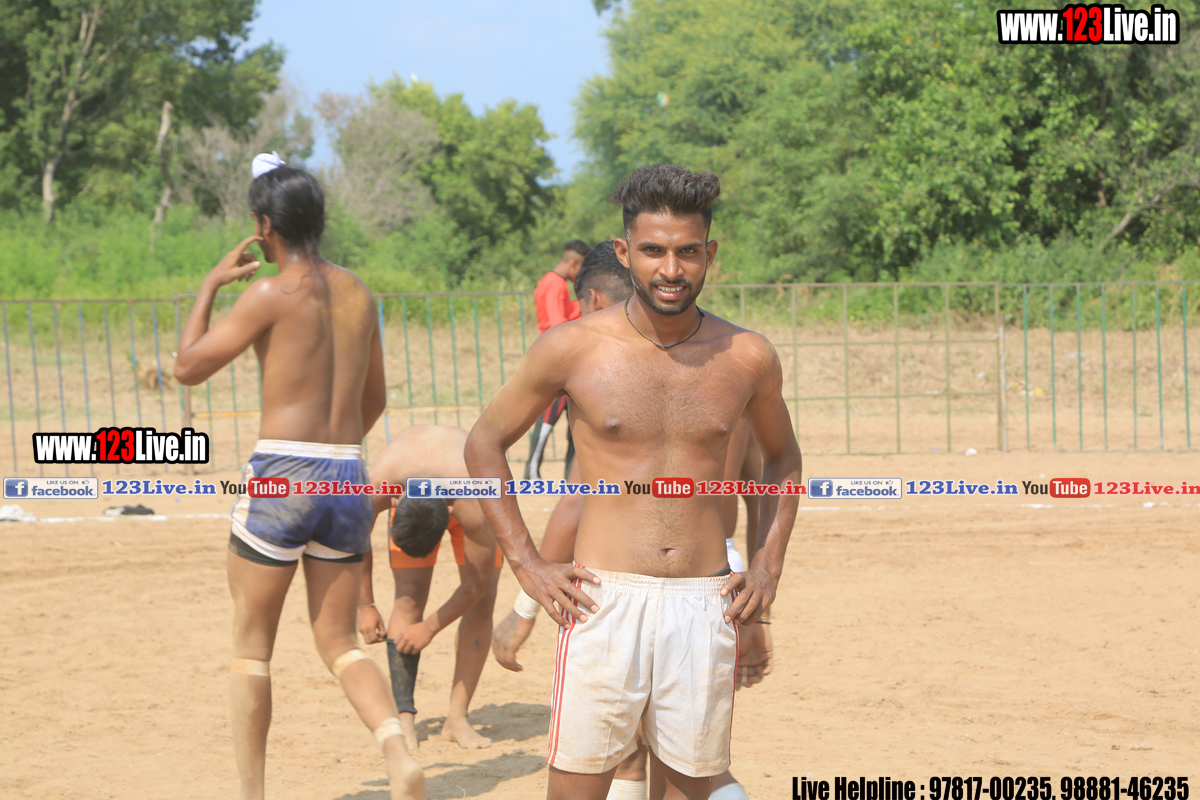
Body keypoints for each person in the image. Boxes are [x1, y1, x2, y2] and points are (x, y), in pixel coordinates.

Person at [465, 163, 803, 800]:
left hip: (704, 603)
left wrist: (767, 566)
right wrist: (528, 565)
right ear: (625, 253)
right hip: (603, 602)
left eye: (688, 252)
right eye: (653, 251)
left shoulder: (747, 356)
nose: (671, 269)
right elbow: (484, 443)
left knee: (688, 789)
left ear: (710, 255)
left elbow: (782, 459)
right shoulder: (572, 348)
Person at [173, 153, 424, 800]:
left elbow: (188, 367)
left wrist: (209, 286)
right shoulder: (358, 293)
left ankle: (252, 795)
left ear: (264, 226)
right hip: (347, 473)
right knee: (340, 643)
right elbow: (376, 398)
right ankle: (397, 751)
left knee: (252, 648)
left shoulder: (269, 294)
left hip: (284, 472)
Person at [355, 425, 502, 754]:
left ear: (450, 512)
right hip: (418, 485)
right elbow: (355, 542)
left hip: (466, 488)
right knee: (407, 597)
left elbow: (477, 583)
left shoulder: (474, 502)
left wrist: (430, 627)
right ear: (395, 502)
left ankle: (457, 718)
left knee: (483, 603)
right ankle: (403, 718)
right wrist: (365, 604)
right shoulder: (375, 486)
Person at [525, 239, 591, 479]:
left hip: (555, 356)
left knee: (570, 421)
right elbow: (556, 324)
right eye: (582, 268)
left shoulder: (549, 282)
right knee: (548, 418)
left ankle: (567, 476)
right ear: (574, 264)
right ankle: (532, 472)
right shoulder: (556, 284)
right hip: (557, 360)